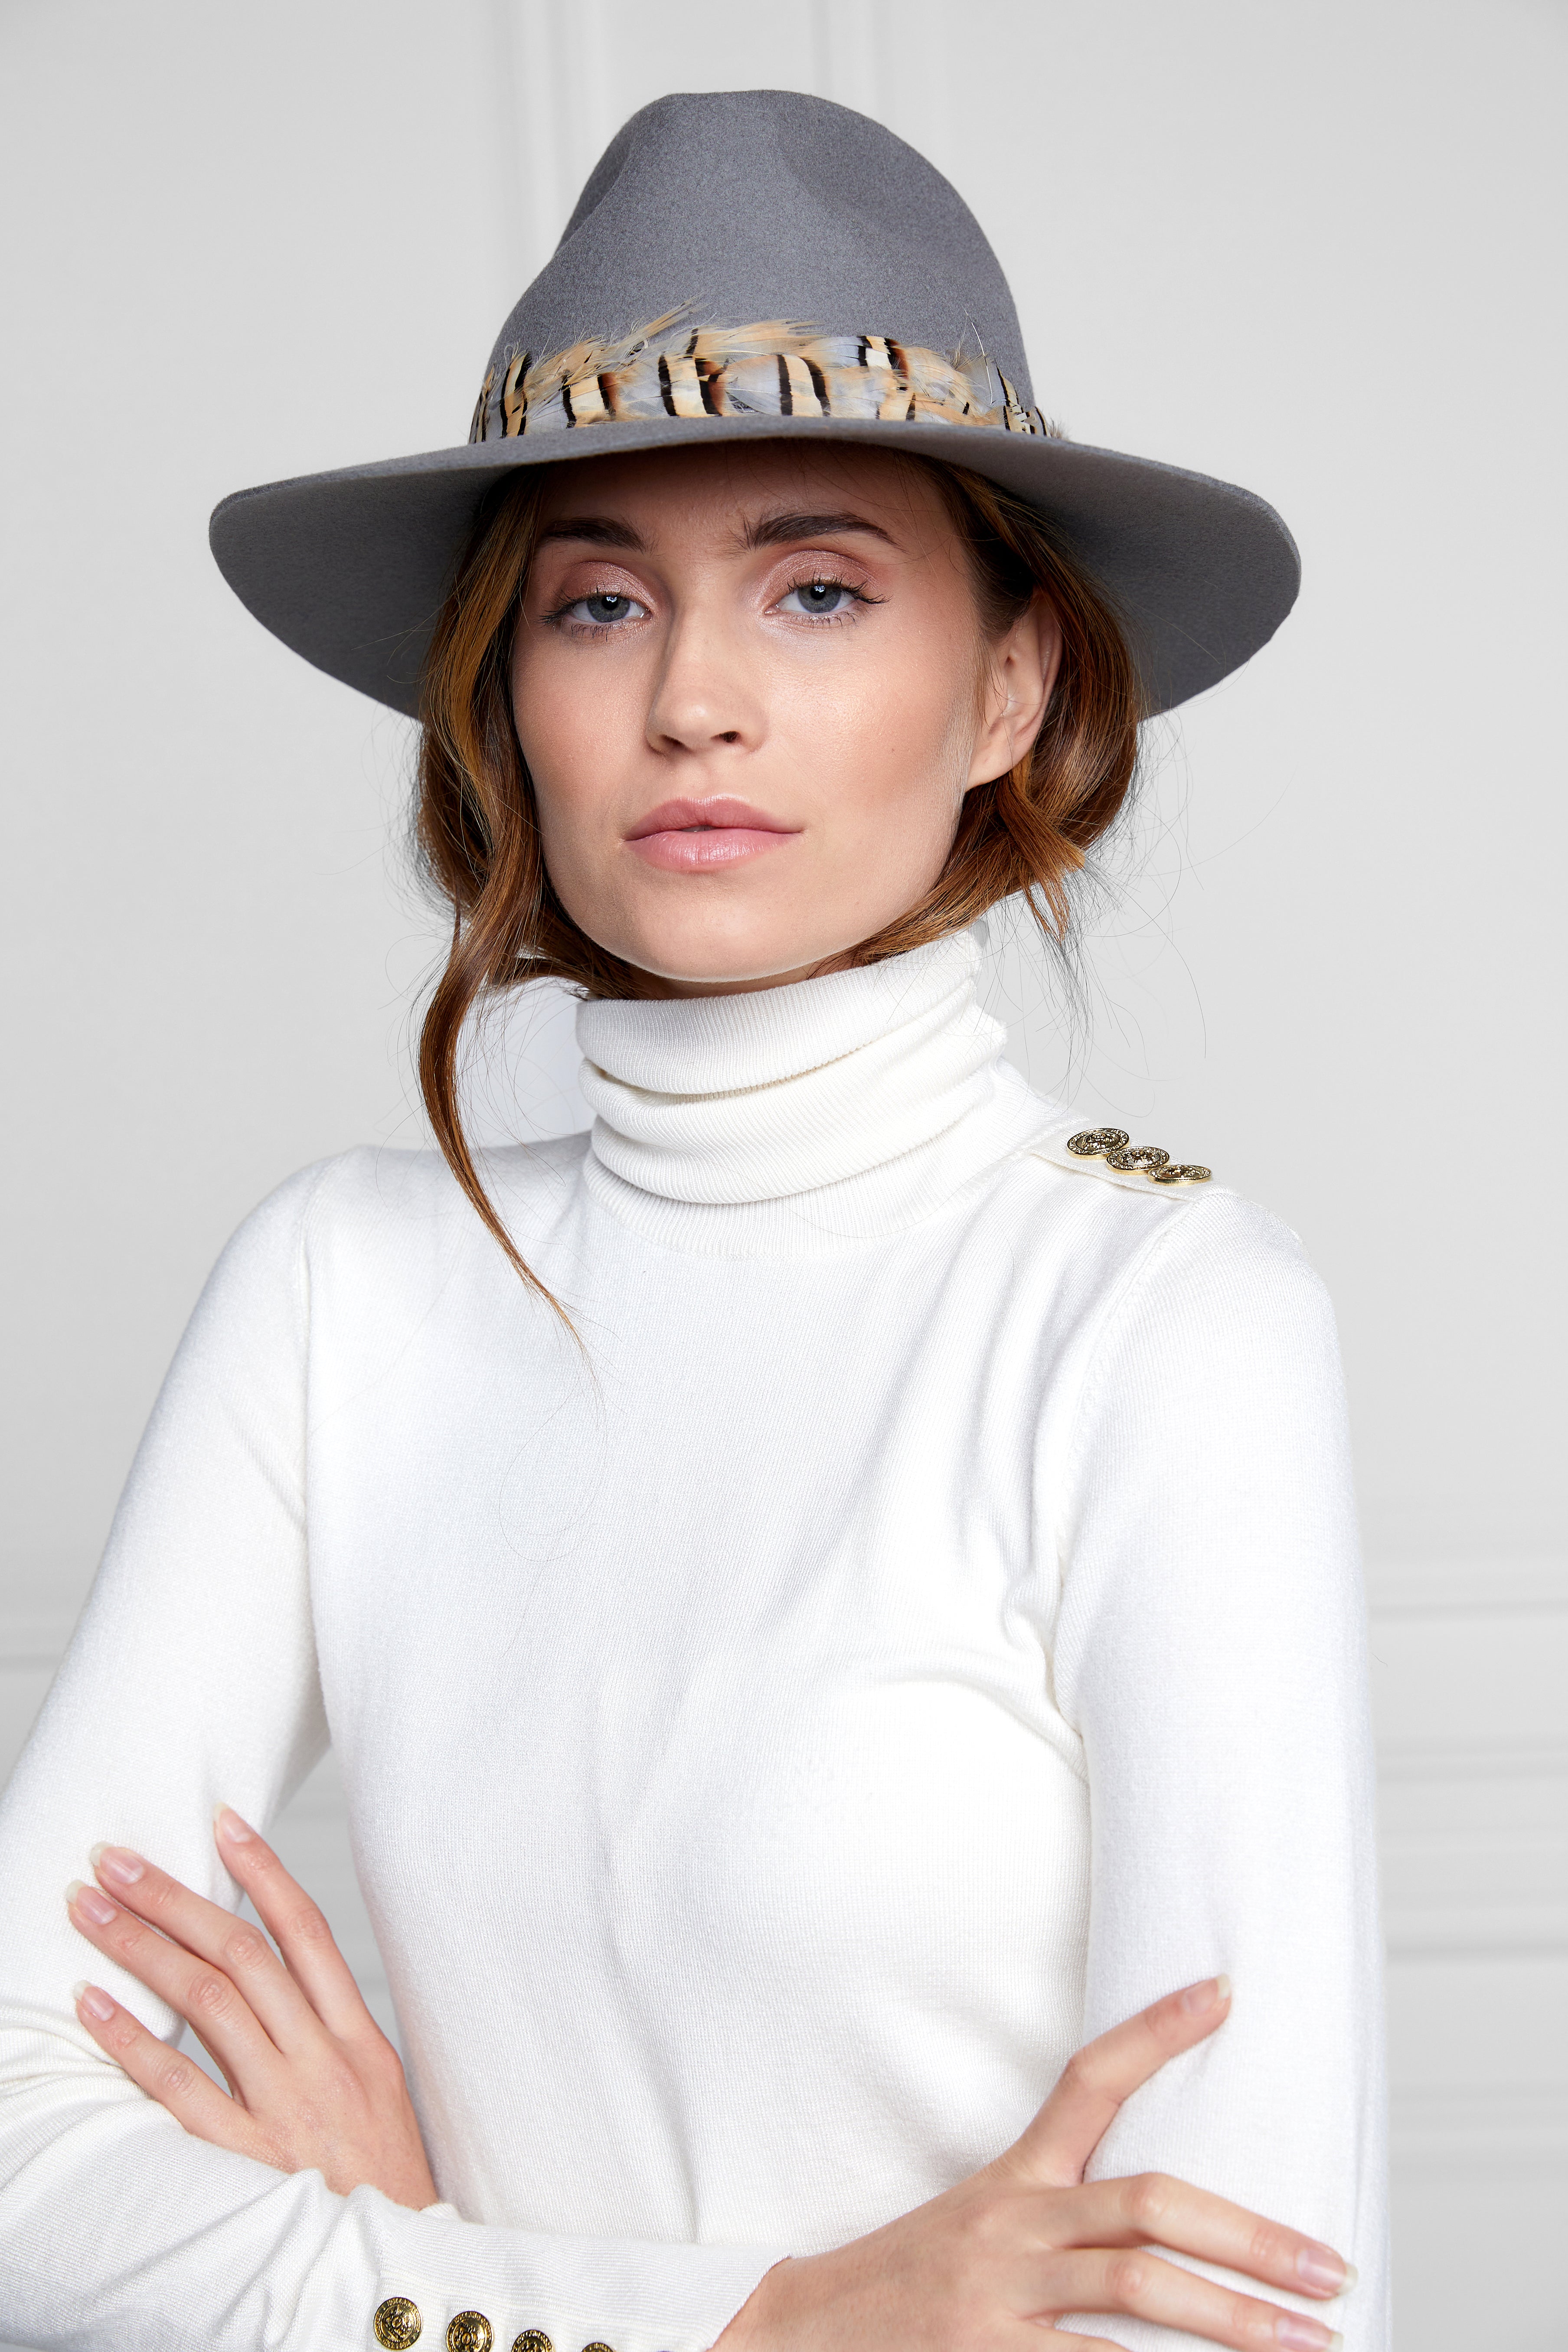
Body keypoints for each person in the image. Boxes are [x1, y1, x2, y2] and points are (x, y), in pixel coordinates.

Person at [0, 88, 1385, 2352]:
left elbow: (1248, 2304)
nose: (692, 704)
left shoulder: (1158, 1313)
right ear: (507, 689)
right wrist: (753, 2320)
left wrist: (414, 2280)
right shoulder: (344, 1290)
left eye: (818, 589)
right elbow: (14, 2162)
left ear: (1010, 684)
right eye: (600, 603)